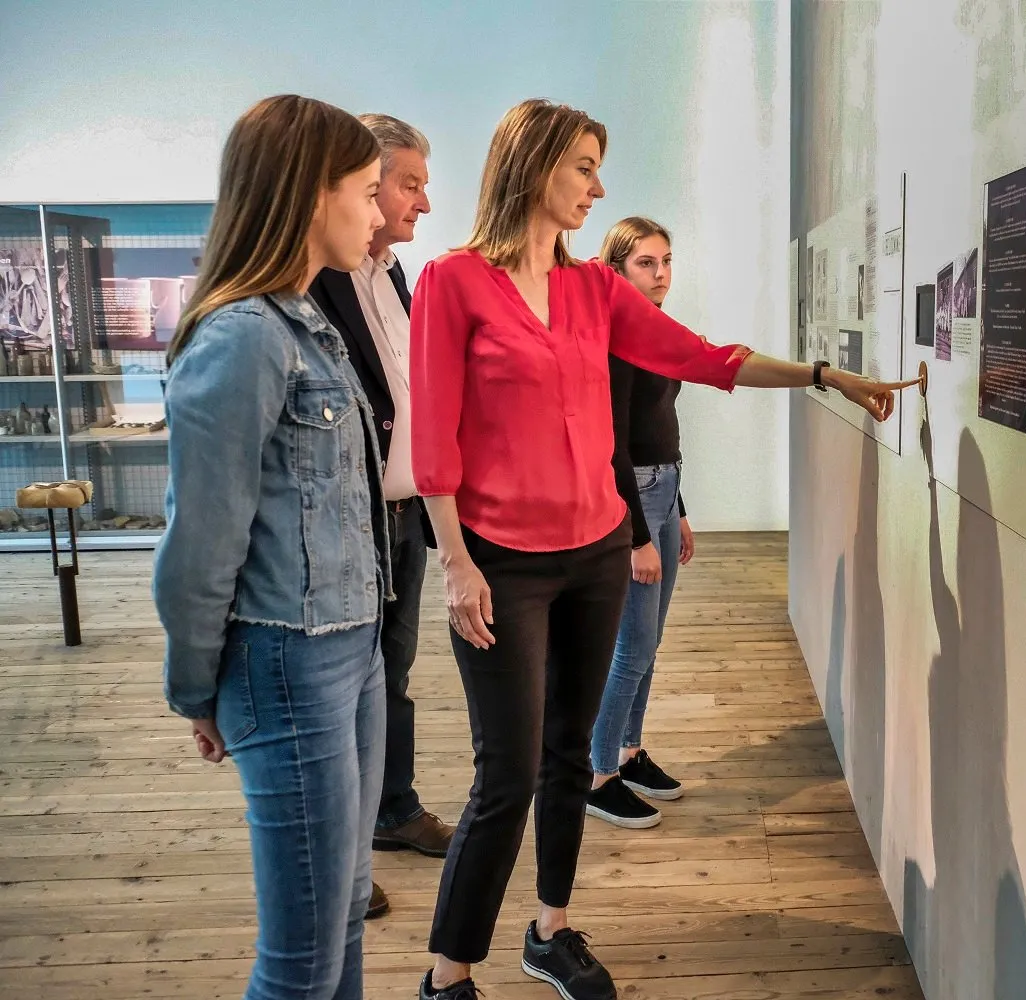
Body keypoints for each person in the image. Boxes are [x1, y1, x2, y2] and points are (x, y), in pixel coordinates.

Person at [409, 98, 915, 1000]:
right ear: (531, 164)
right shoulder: (454, 282)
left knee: (570, 754)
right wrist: (454, 563)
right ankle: (447, 976)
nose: (597, 187)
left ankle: (551, 930)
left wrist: (826, 376)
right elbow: (434, 443)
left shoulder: (593, 291)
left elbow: (703, 356)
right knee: (508, 773)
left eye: (599, 167)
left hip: (597, 551)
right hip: (502, 565)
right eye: (582, 166)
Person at [152, 94, 390, 1000]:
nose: (377, 213)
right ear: (309, 193)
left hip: (350, 649)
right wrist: (194, 686)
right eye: (367, 191)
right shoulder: (245, 337)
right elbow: (199, 545)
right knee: (299, 965)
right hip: (288, 661)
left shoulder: (304, 320)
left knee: (344, 927)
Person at [308, 113, 452, 922]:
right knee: (348, 688)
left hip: (403, 515)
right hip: (351, 520)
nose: (420, 203)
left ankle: (391, 812)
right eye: (406, 184)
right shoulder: (313, 283)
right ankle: (342, 859)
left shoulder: (395, 275)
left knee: (390, 678)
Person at [585, 216, 692, 830]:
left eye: (667, 260)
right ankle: (597, 775)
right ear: (617, 268)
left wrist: (679, 510)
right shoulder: (616, 336)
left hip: (663, 488)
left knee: (648, 643)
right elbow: (615, 443)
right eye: (646, 263)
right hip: (634, 497)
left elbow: (665, 429)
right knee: (633, 645)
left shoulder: (657, 328)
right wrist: (638, 536)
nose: (660, 275)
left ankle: (627, 751)